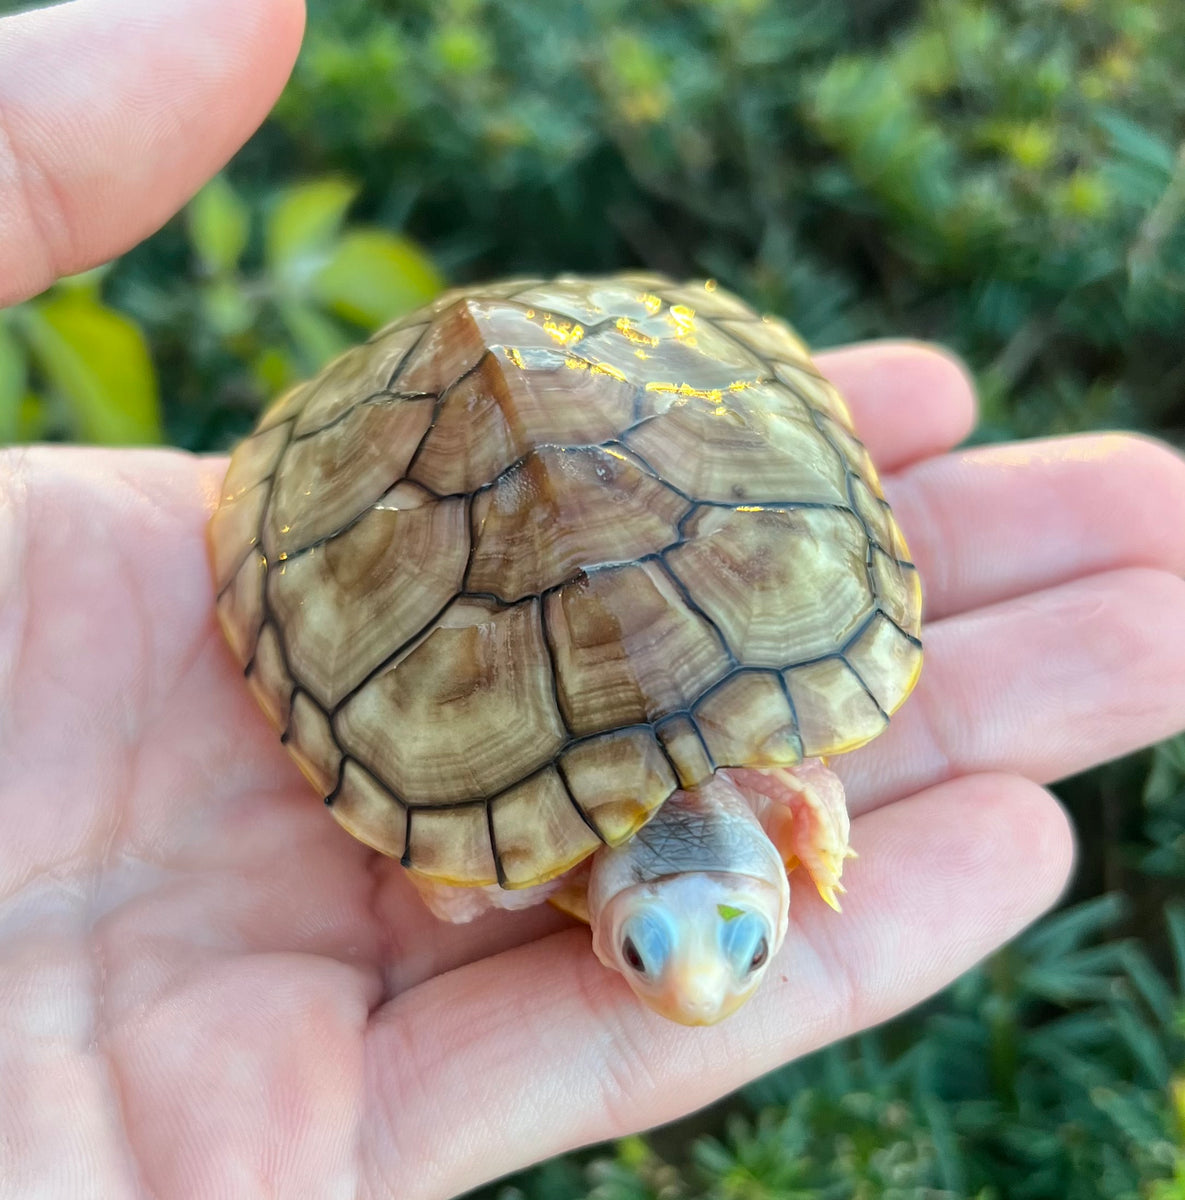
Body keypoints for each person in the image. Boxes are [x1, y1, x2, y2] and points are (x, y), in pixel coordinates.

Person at [2, 1, 1184, 1197]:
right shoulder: (730, 779)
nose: (694, 989)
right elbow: (453, 880)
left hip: (577, 405)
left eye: (650, 950)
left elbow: (454, 867)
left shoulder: (608, 827)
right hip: (534, 396)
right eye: (732, 946)